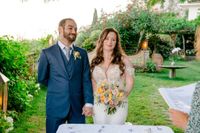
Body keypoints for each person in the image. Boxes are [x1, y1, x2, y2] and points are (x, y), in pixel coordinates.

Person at [37, 18, 93, 133]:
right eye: (70, 28)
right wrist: (58, 87)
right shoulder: (47, 53)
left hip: (77, 106)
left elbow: (86, 79)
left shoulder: (82, 53)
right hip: (55, 105)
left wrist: (88, 103)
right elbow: (42, 78)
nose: (74, 31)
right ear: (60, 29)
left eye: (76, 29)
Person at [90, 28, 134, 124]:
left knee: (116, 127)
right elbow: (92, 81)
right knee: (100, 127)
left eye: (113, 39)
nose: (110, 42)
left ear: (116, 42)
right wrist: (98, 96)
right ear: (102, 40)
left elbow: (130, 82)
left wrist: (121, 97)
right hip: (99, 103)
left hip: (119, 103)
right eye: (107, 38)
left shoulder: (124, 60)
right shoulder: (93, 61)